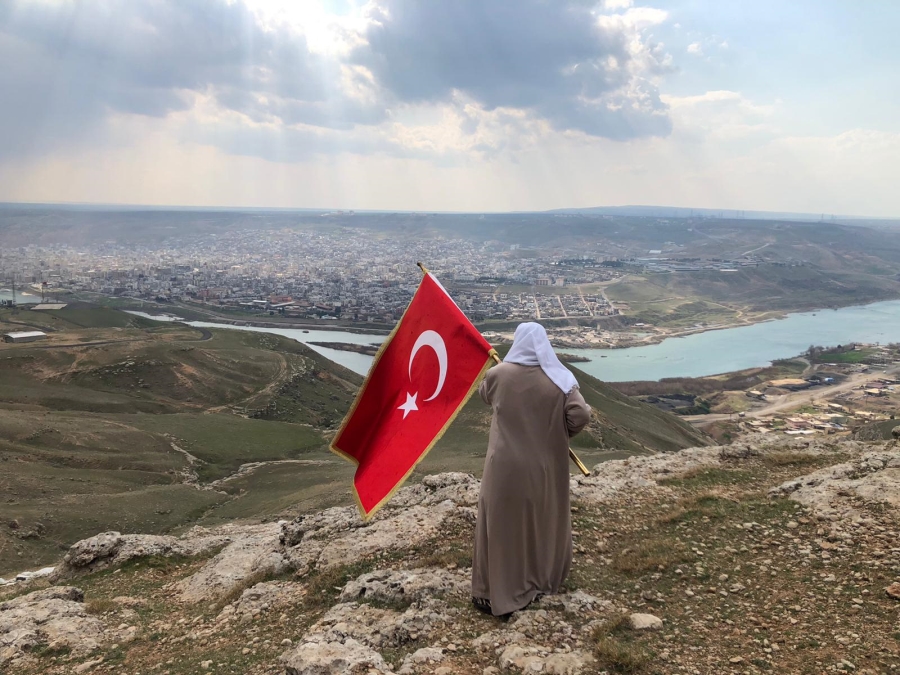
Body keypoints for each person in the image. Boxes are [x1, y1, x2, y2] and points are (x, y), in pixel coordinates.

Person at [472, 322, 592, 618]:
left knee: (500, 524)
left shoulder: (498, 375)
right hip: (543, 467)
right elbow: (580, 415)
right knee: (540, 520)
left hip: (503, 467)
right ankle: (540, 581)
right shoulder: (561, 379)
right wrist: (558, 433)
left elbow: (483, 394)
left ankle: (489, 592)